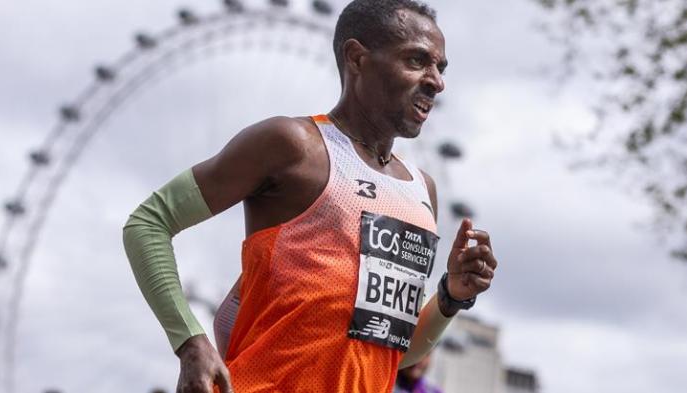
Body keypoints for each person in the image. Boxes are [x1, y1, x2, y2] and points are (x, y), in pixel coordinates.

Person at [122, 1, 499, 392]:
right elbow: (149, 223)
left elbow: (393, 351)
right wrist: (190, 342)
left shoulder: (423, 192)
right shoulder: (292, 145)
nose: (436, 81)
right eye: (417, 61)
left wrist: (452, 296)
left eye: (440, 68)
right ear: (357, 58)